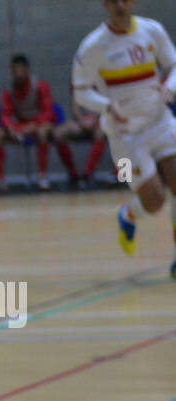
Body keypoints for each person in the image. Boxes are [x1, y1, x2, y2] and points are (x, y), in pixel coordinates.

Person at [74, 0, 176, 278]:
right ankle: (129, 215)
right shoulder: (93, 46)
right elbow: (80, 92)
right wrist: (106, 105)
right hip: (126, 135)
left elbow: (174, 64)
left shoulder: (151, 30)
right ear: (105, 4)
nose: (120, 5)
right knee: (155, 202)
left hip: (160, 121)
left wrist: (170, 86)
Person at [0, 54, 59, 190]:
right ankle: (0, 178)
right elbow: (5, 114)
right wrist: (11, 127)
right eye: (15, 71)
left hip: (38, 124)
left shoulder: (40, 86)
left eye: (21, 70)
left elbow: (48, 111)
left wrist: (35, 124)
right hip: (20, 126)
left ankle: (42, 175)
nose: (19, 74)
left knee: (42, 132)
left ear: (27, 70)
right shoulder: (8, 90)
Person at [54, 94, 109, 190]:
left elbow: (108, 108)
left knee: (100, 134)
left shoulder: (103, 85)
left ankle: (87, 174)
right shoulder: (79, 84)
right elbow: (76, 109)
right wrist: (82, 121)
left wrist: (96, 120)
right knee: (59, 133)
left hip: (100, 122)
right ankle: (73, 174)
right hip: (81, 122)